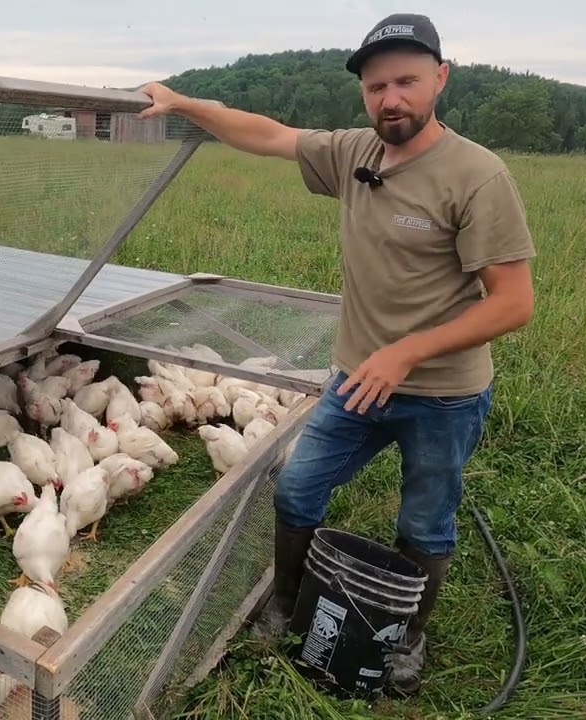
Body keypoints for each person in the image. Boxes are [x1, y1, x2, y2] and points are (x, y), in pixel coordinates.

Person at [138, 13, 536, 694]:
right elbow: (264, 133)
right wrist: (181, 103)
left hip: (443, 394)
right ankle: (286, 603)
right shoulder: (355, 154)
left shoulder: (477, 175)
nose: (391, 98)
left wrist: (407, 353)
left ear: (439, 79)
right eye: (377, 86)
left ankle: (406, 639)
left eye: (406, 81)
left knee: (425, 516)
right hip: (360, 380)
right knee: (297, 486)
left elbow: (514, 302)